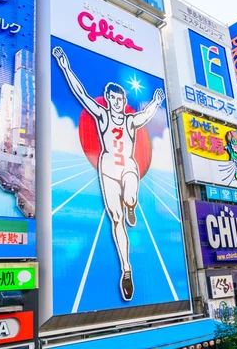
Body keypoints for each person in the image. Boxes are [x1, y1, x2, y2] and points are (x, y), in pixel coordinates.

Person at [52, 46, 165, 301]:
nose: (116, 103)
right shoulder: (102, 116)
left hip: (127, 167)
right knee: (116, 219)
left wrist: (157, 101)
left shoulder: (130, 120)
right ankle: (126, 269)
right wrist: (65, 66)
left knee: (131, 193)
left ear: (124, 102)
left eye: (120, 99)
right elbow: (80, 94)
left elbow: (146, 115)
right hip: (107, 169)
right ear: (108, 99)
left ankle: (131, 204)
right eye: (112, 99)